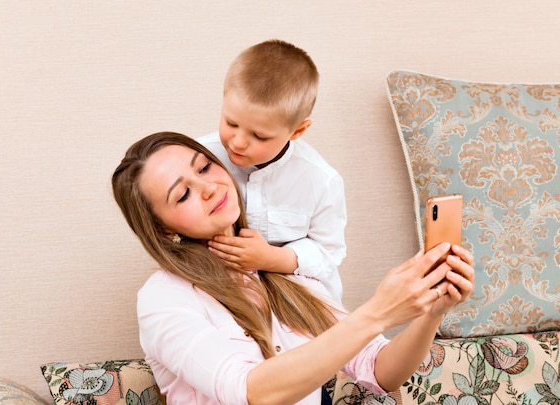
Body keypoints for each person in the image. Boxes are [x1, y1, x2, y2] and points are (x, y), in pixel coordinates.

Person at [111, 131, 475, 405]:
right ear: (163, 228)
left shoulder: (284, 269)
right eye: (183, 194)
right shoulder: (164, 297)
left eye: (205, 167)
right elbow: (250, 391)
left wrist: (432, 311)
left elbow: (381, 370)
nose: (207, 187)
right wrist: (377, 312)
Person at [197, 39, 346, 302]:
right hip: (225, 296)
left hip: (298, 301)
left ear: (297, 131)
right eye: (231, 123)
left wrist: (270, 258)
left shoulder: (321, 180)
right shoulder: (198, 158)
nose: (238, 142)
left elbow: (329, 253)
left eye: (259, 136)